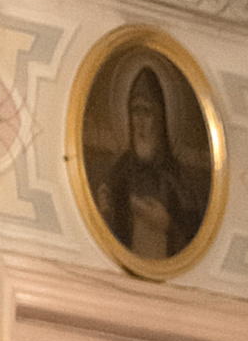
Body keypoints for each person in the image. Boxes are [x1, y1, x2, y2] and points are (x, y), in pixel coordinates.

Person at [88, 58, 210, 264]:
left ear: (161, 118)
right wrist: (105, 213)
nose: (140, 122)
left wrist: (166, 224)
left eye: (147, 111)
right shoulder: (118, 174)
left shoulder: (178, 179)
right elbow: (110, 244)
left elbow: (194, 239)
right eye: (135, 110)